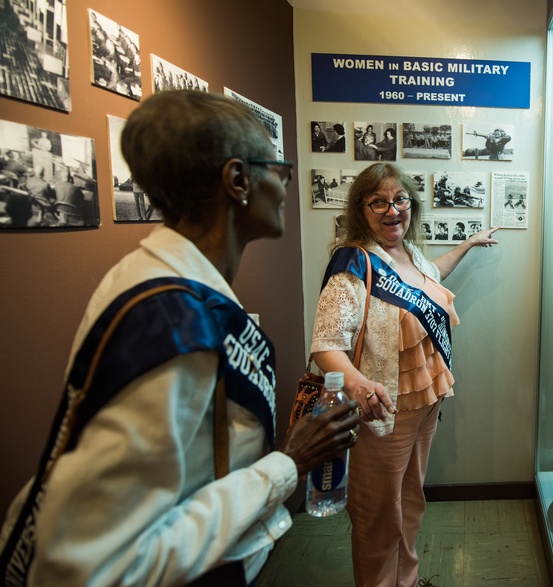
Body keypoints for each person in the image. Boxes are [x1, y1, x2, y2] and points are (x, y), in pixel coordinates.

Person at [0, 90, 360, 586]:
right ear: (238, 180)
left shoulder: (158, 278)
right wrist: (290, 462)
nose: (284, 183)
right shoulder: (172, 322)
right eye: (278, 167)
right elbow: (92, 566)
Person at [310, 162, 499, 587]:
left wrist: (467, 244)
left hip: (424, 408)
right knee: (378, 516)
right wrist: (359, 384)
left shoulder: (410, 255)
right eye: (378, 201)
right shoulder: (353, 264)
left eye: (400, 200)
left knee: (410, 503)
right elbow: (326, 345)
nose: (391, 210)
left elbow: (432, 276)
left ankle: (405, 581)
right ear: (362, 208)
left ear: (411, 205)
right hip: (382, 413)